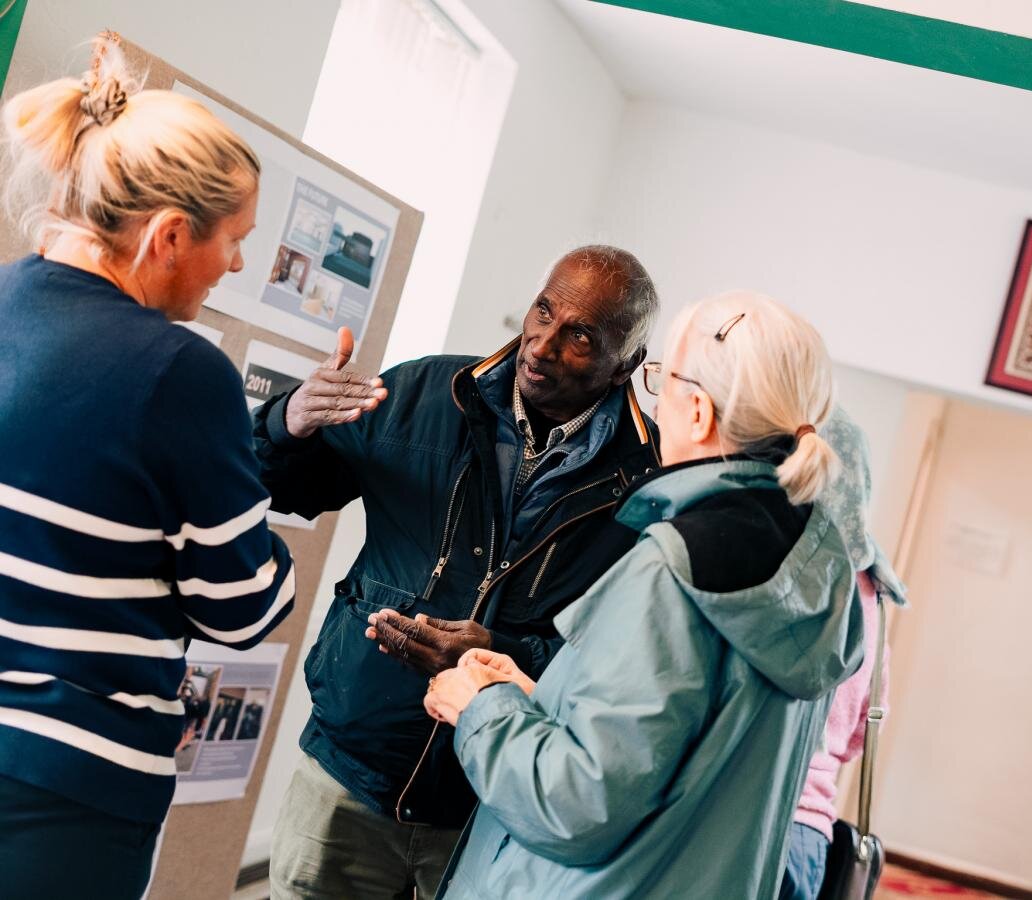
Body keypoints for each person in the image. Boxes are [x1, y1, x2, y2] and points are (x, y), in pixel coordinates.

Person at [418, 290, 865, 899]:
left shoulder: (673, 567)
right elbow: (687, 751)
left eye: (662, 380)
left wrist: (480, 707)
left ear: (700, 412)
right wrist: (533, 695)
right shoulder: (818, 567)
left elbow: (576, 806)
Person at [256, 245, 661, 899]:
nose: (541, 345)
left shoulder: (648, 485)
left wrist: (504, 655)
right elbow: (279, 485)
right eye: (543, 311)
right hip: (349, 779)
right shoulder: (423, 392)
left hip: (496, 813)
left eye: (580, 335)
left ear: (628, 364)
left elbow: (623, 662)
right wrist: (289, 421)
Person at [0, 33, 295, 899]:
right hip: (64, 792)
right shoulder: (179, 371)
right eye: (233, 239)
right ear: (168, 235)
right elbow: (245, 610)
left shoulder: (7, 298)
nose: (237, 263)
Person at [779, 408, 907, 899]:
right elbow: (860, 733)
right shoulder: (874, 590)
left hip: (755, 819)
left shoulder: (794, 571)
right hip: (813, 830)